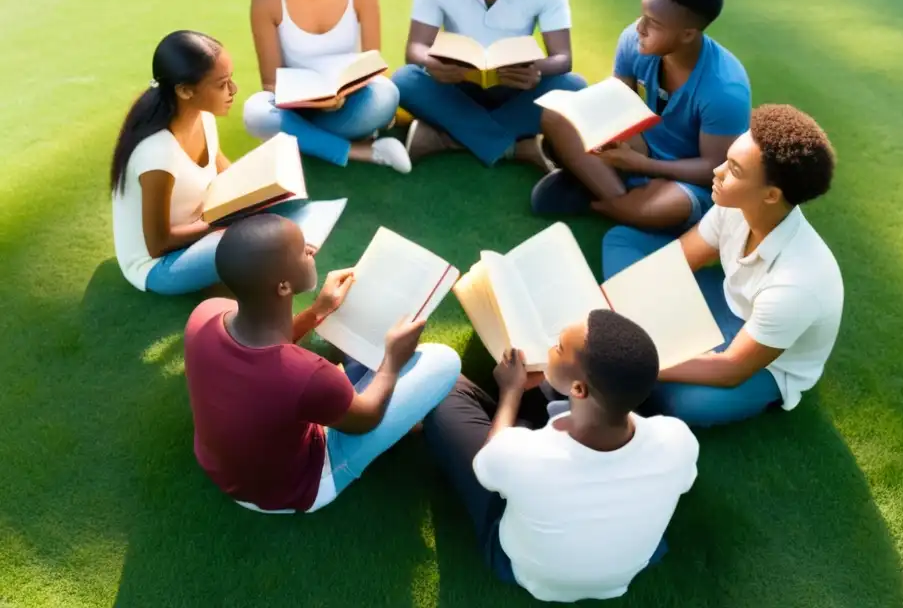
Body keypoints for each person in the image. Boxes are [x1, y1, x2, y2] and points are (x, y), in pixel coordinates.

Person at [183, 213, 462, 513]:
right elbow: (366, 419)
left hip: (225, 467)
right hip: (293, 489)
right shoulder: (307, 374)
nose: (311, 251)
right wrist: (393, 361)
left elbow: (264, 347)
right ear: (284, 287)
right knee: (444, 360)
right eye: (302, 250)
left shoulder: (206, 313)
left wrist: (318, 311)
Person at [424, 310, 699, 602]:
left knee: (443, 394)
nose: (550, 349)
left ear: (578, 389)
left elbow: (489, 463)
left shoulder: (526, 455)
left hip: (527, 570)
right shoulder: (678, 439)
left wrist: (511, 390)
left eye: (558, 348)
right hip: (622, 572)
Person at [602, 104, 843, 427]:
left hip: (764, 359)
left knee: (687, 404)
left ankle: (655, 346)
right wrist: (606, 303)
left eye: (734, 170)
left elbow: (731, 369)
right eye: (726, 160)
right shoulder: (733, 205)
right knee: (621, 241)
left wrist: (633, 361)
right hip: (722, 298)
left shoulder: (797, 284)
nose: (716, 172)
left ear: (771, 195)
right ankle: (657, 336)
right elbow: (676, 263)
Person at [110, 30, 345, 296]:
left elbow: (228, 174)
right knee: (243, 242)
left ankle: (283, 244)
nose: (233, 90)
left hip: (202, 224)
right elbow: (158, 243)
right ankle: (284, 254)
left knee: (289, 200)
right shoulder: (158, 154)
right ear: (185, 91)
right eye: (222, 84)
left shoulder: (203, 119)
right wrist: (225, 223)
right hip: (159, 266)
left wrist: (266, 189)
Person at [533, 0, 751, 236]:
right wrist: (594, 132)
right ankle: (623, 198)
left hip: (686, 176)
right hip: (639, 146)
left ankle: (601, 195)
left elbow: (714, 169)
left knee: (668, 206)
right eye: (643, 15)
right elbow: (616, 105)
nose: (640, 27)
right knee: (555, 116)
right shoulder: (634, 41)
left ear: (687, 34)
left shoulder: (725, 89)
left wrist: (644, 166)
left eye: (654, 23)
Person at [392, 0, 587, 169]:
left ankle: (444, 140)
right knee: (405, 80)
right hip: (457, 85)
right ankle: (518, 147)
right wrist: (430, 61)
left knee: (574, 87)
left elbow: (563, 58)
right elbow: (415, 49)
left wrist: (535, 70)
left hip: (516, 88)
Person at [243, 0, 410, 173]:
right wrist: (314, 101)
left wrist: (343, 95)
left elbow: (372, 65)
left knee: (386, 94)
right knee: (256, 112)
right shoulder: (266, 2)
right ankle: (361, 151)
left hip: (350, 101)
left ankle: (300, 139)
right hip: (297, 106)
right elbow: (270, 83)